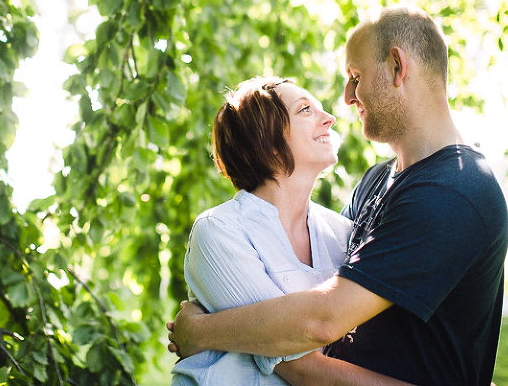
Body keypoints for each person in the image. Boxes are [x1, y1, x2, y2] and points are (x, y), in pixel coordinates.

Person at [168, 6, 508, 386]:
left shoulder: (453, 191)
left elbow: (321, 319)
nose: (346, 98)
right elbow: (319, 290)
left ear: (398, 67)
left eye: (355, 77)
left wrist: (202, 330)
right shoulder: (378, 181)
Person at [172, 76, 411, 385]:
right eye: (305, 110)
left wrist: (201, 331)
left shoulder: (342, 234)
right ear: (266, 140)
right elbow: (300, 365)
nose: (329, 119)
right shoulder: (219, 232)